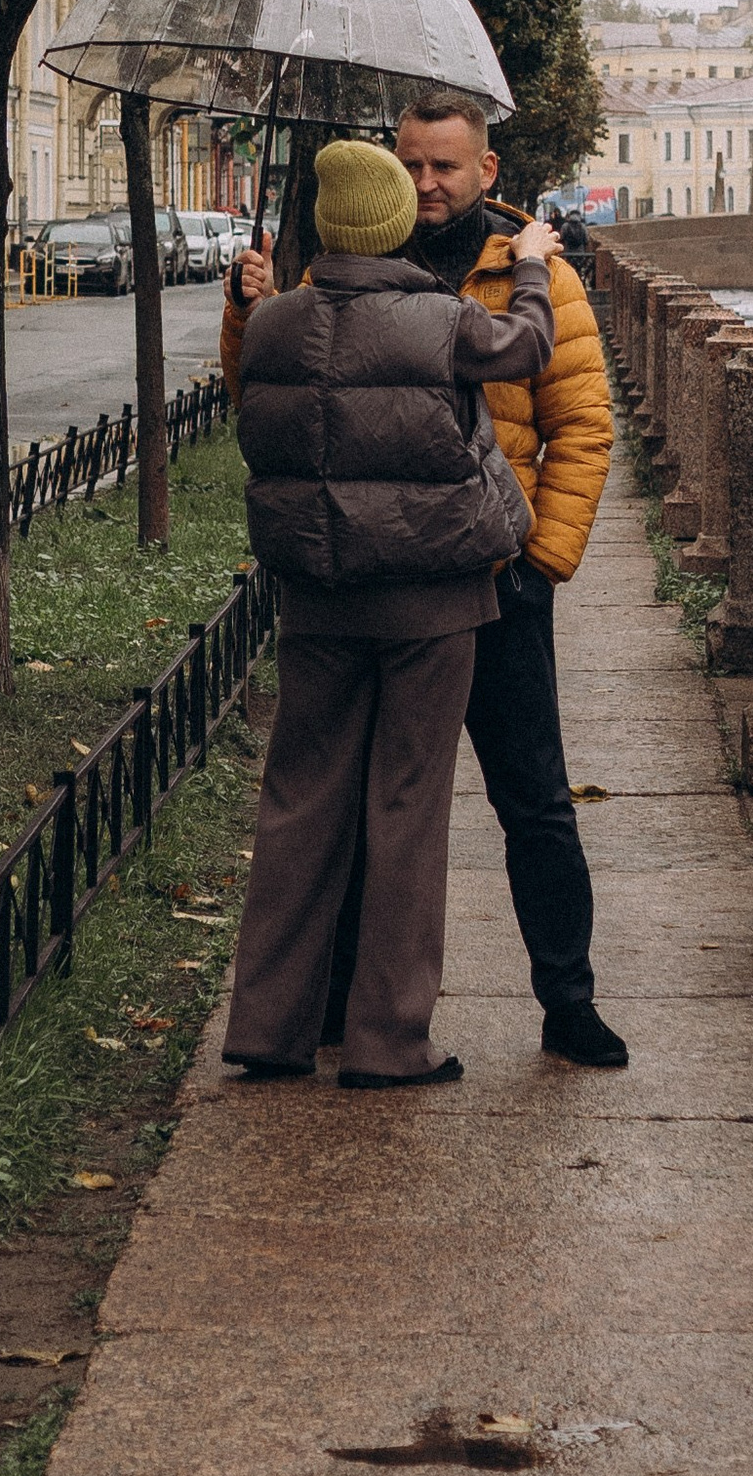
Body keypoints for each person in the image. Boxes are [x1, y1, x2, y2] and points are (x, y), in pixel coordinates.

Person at [225, 88, 626, 1069]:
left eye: (445, 165)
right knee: (375, 802)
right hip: (389, 577)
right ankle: (342, 1006)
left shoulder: (526, 271)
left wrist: (541, 562)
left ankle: (566, 1000)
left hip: (497, 574)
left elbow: (581, 424)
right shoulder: (340, 270)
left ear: (486, 171)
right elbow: (279, 405)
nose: (426, 182)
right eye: (409, 163)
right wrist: (248, 314)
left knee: (531, 797)